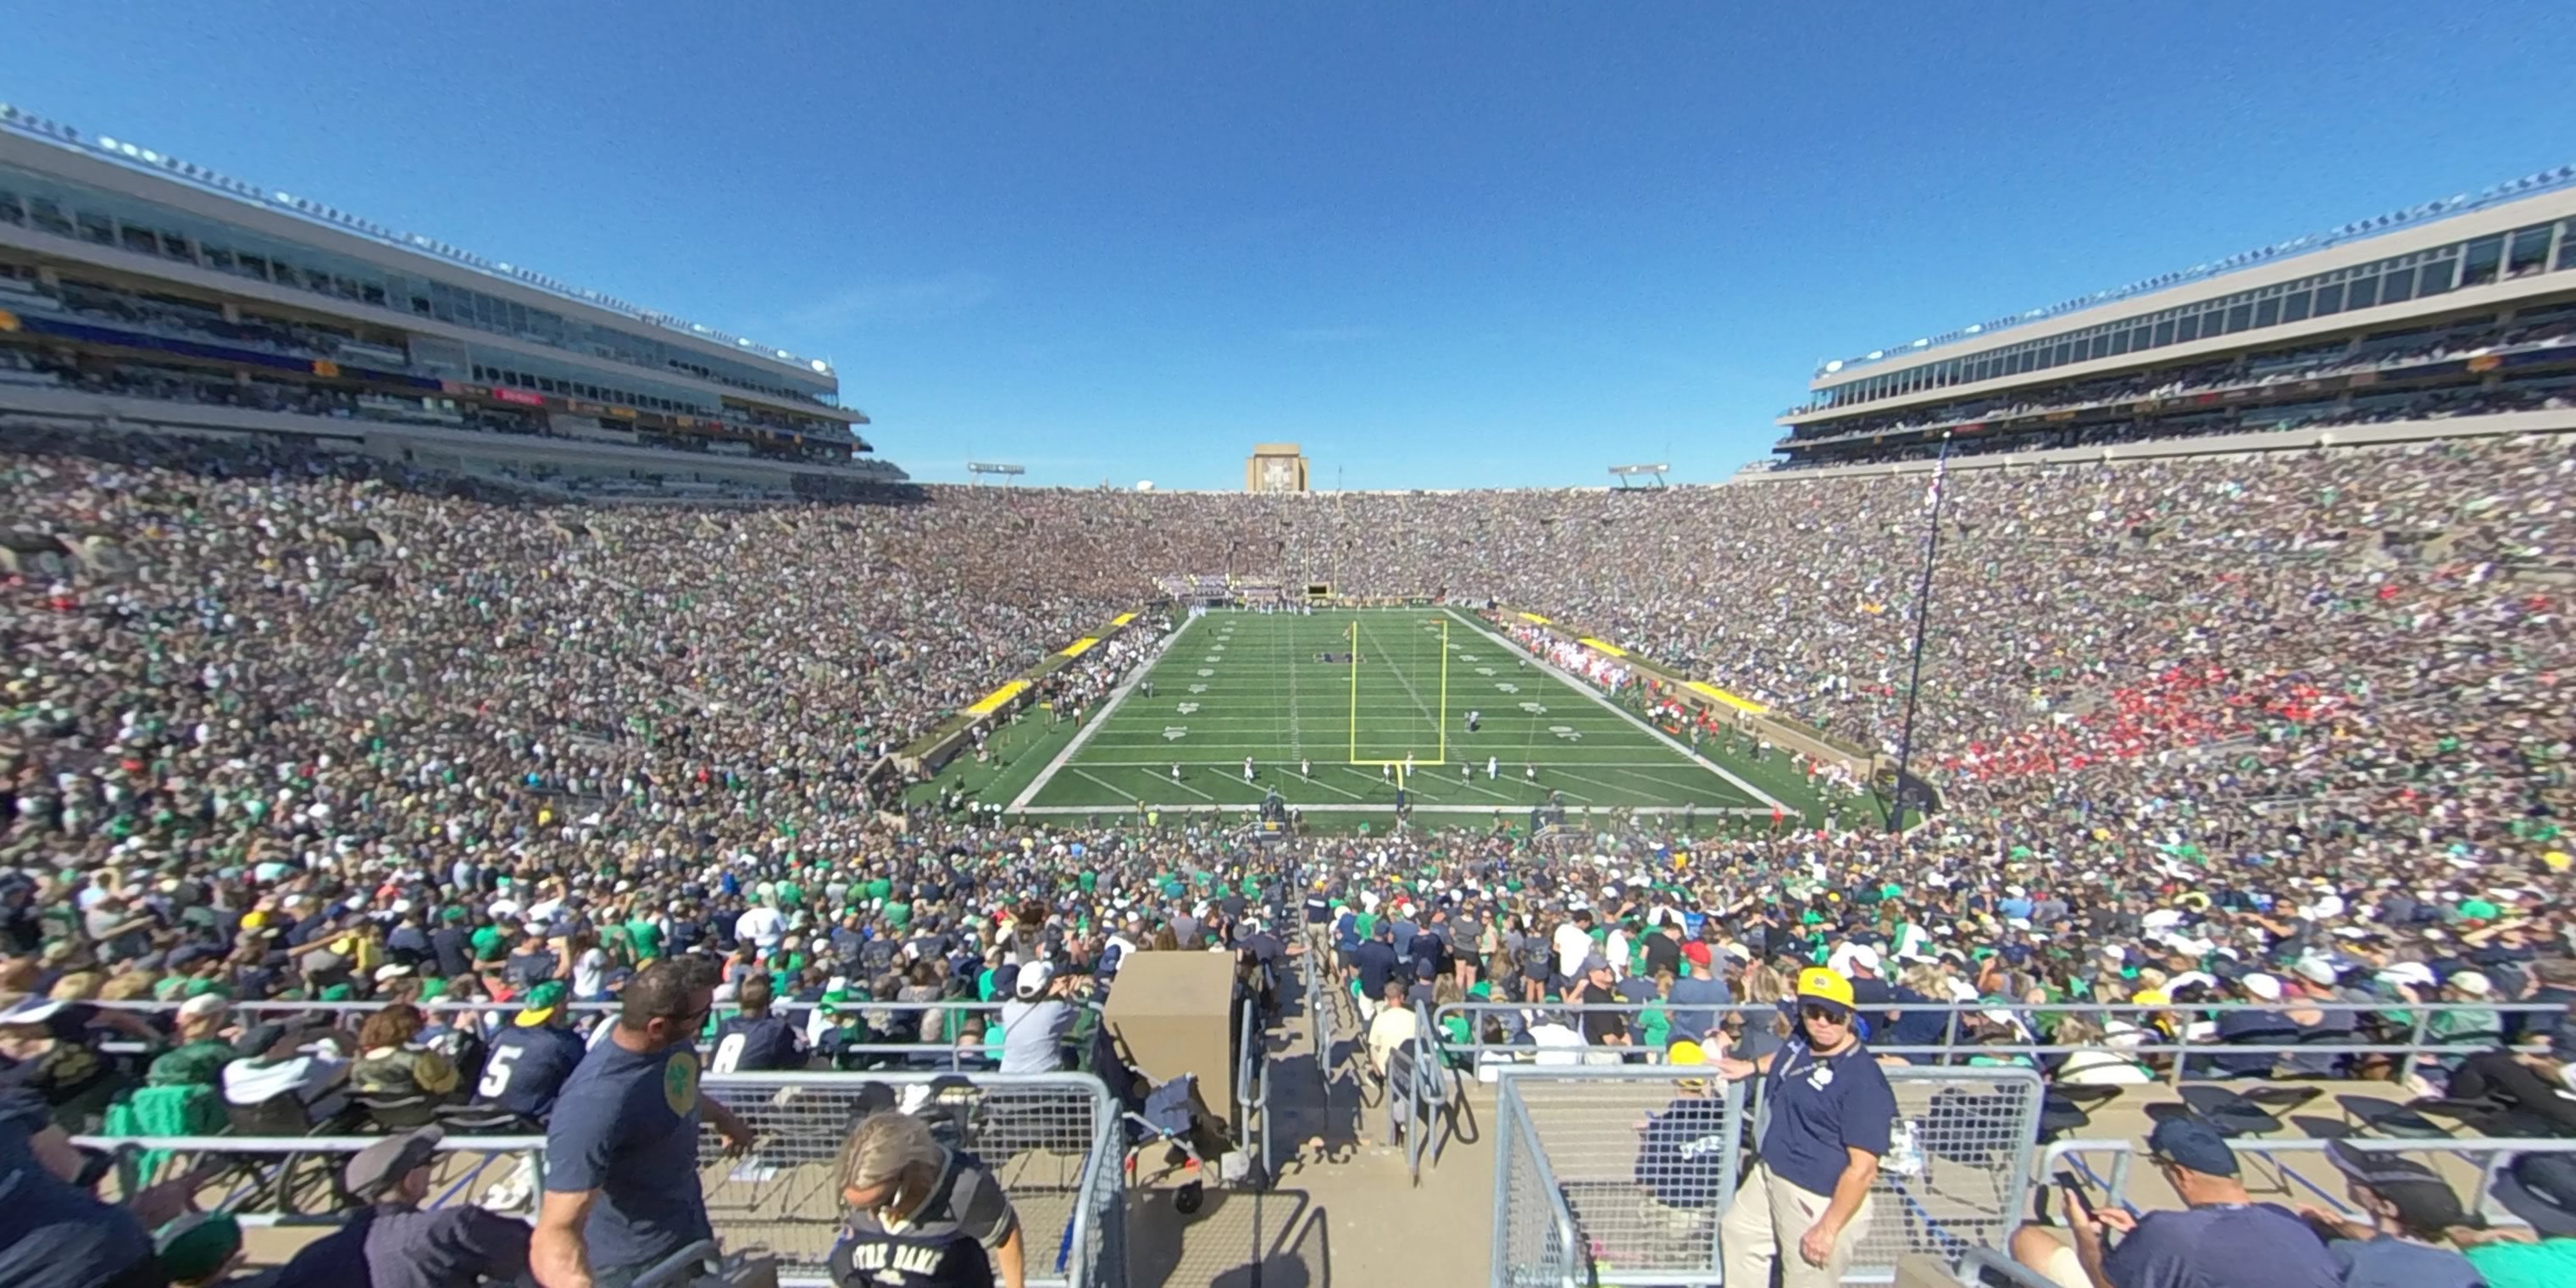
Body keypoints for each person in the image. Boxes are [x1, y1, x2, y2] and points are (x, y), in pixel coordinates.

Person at [535, 955, 755, 1288]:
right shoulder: (596, 1103)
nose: (706, 1022)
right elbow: (556, 1229)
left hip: (689, 1237)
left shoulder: (672, 1046)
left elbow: (678, 1089)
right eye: (701, 1015)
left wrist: (724, 1119)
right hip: (634, 1267)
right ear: (658, 1026)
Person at [1713, 966, 1891, 1288]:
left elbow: (1863, 1169)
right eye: (1813, 1012)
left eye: (1833, 1016)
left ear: (1849, 1017)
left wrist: (1828, 1228)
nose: (1821, 1023)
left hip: (1817, 1194)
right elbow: (1787, 1057)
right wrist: (1750, 1066)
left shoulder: (1862, 1081)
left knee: (1806, 1278)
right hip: (1773, 1170)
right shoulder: (1801, 1038)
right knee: (1739, 1232)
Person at [2007, 1119, 2342, 1288]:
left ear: (2181, 1174)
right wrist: (2142, 1234)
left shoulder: (2170, 1230)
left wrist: (2085, 1234)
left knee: (2030, 1240)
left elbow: (2104, 1283)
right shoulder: (2283, 1218)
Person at [271, 1125, 534, 1287]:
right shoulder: (447, 1227)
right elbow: (532, 1250)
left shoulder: (311, 1256)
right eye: (427, 1163)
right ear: (411, 1180)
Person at [830, 1109, 1026, 1288]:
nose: (872, 1215)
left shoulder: (964, 1185)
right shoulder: (860, 1199)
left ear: (910, 1173)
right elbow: (845, 1253)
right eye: (858, 1206)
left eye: (881, 1203)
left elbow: (1004, 1233)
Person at [2292, 1139, 2484, 1288]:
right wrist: (2337, 1225)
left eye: (2361, 1182)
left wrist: (2313, 1227)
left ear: (2386, 1207)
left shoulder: (2350, 1256)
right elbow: (2393, 1245)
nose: (2352, 1182)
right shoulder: (2461, 1267)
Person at [709, 975, 807, 1074]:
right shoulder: (775, 1028)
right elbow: (798, 1061)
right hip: (752, 1086)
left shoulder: (726, 1025)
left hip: (716, 1084)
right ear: (769, 1001)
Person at [995, 962, 1078, 1075]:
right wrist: (1065, 994)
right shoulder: (1054, 1008)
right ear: (1045, 986)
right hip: (1043, 1080)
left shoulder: (1009, 1007)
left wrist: (1048, 994)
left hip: (1008, 1077)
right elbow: (1075, 1013)